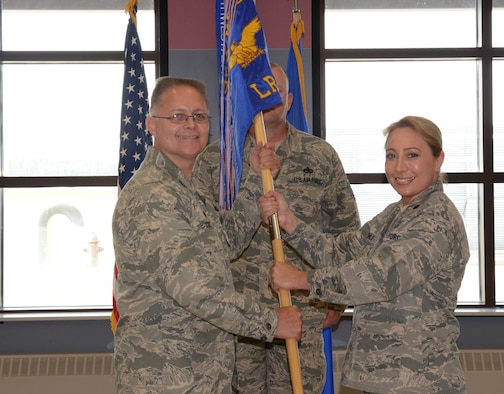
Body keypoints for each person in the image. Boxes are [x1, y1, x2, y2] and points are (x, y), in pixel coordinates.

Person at [112, 76, 302, 394]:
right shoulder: (152, 195)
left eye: (199, 116)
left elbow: (222, 245)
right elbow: (196, 290)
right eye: (177, 116)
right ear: (151, 124)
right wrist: (271, 322)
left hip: (203, 374)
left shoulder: (186, 186)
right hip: (167, 378)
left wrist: (256, 180)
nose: (190, 125)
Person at [265, 115, 470, 393]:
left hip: (419, 379)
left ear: (438, 160)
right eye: (391, 155)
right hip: (382, 379)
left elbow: (379, 277)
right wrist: (290, 222)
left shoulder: (436, 220)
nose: (399, 167)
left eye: (413, 155)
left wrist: (302, 280)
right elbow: (342, 252)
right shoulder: (397, 213)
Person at [196, 63, 361, 393]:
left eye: (273, 90)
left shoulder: (320, 156)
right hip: (237, 319)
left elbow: (348, 233)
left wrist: (337, 299)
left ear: (288, 99)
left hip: (302, 314)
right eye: (256, 89)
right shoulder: (217, 161)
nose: (264, 97)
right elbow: (204, 243)